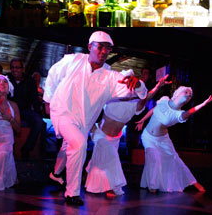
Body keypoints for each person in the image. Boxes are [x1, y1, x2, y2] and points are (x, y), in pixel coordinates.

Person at [43, 31, 148, 206]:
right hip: (62, 112)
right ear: (90, 46)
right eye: (100, 47)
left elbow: (140, 93)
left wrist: (138, 84)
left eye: (108, 48)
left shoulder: (110, 77)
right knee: (78, 144)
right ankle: (72, 193)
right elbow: (53, 75)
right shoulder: (73, 60)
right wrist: (47, 100)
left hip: (84, 123)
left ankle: (56, 173)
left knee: (73, 146)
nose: (103, 51)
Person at [85, 70, 171, 197]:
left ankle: (89, 170)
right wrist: (90, 126)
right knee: (111, 157)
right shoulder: (110, 95)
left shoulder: (134, 105)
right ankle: (110, 187)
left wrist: (157, 86)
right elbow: (92, 105)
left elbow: (145, 98)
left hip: (115, 138)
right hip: (99, 133)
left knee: (102, 158)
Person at [136, 86, 212, 193]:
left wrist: (203, 104)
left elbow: (191, 111)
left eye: (190, 95)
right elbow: (154, 110)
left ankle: (194, 183)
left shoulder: (180, 114)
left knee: (175, 159)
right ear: (178, 93)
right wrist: (142, 120)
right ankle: (153, 185)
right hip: (148, 137)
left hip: (163, 140)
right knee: (154, 157)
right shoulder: (164, 100)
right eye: (186, 92)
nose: (188, 95)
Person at [7, 58, 44, 161]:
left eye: (17, 67)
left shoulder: (30, 81)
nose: (15, 70)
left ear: (22, 69)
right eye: (12, 67)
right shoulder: (7, 79)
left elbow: (34, 99)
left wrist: (38, 113)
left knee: (38, 121)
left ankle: (26, 149)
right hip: (10, 110)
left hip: (24, 111)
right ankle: (7, 151)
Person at [125, 67, 154, 163]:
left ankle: (137, 159)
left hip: (143, 115)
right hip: (133, 114)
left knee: (139, 137)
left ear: (149, 76)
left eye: (145, 73)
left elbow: (148, 99)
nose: (143, 75)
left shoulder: (149, 86)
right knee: (130, 136)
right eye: (142, 73)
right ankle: (129, 157)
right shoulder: (137, 84)